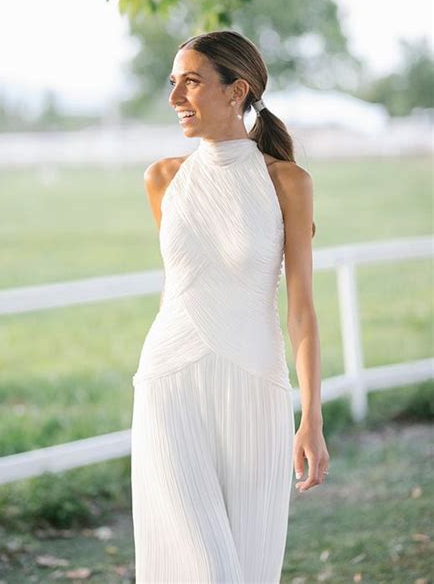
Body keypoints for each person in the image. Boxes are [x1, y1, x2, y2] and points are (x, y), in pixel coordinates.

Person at [130, 30, 330, 583]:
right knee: (207, 569)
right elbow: (179, 286)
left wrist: (310, 416)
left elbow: (302, 311)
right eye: (174, 84)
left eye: (190, 83)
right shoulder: (163, 178)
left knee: (247, 567)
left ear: (236, 90)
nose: (175, 99)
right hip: (169, 384)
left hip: (254, 389)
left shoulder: (287, 182)